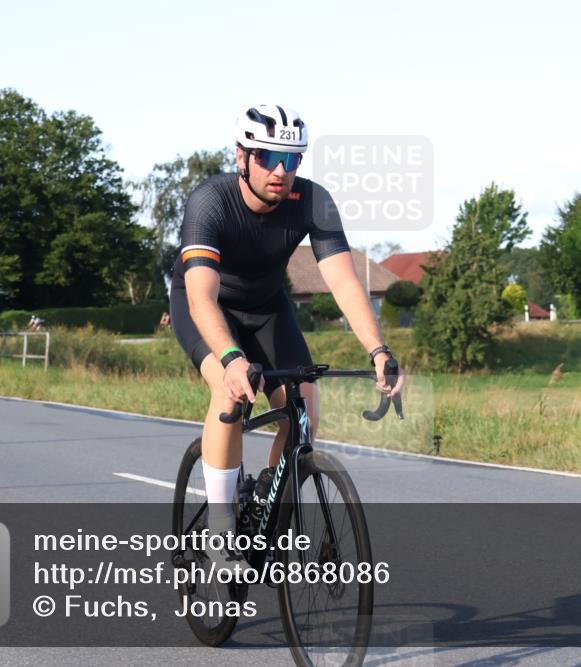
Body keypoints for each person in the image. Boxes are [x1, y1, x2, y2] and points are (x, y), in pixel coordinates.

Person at [169, 105, 405, 575]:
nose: (281, 171)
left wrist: (379, 350)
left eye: (293, 159)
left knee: (304, 414)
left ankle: (263, 506)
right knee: (229, 390)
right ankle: (219, 530)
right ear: (242, 156)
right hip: (208, 308)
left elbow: (343, 283)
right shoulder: (210, 202)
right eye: (268, 157)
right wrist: (233, 359)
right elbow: (201, 297)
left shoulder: (313, 200)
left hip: (268, 307)